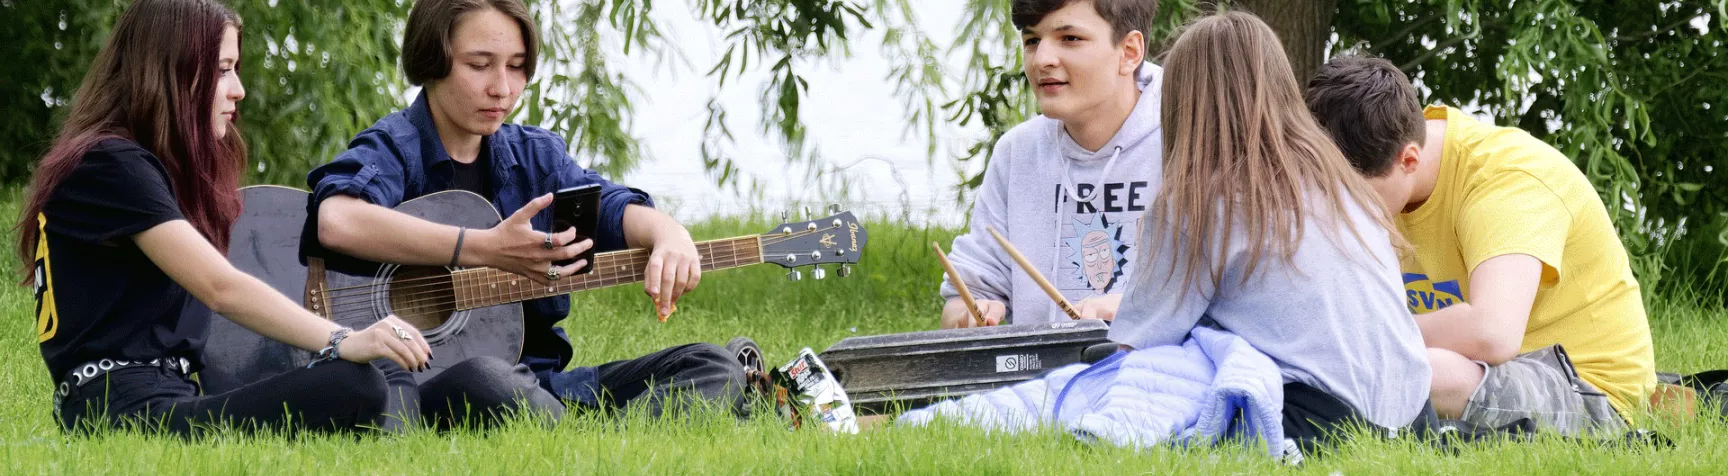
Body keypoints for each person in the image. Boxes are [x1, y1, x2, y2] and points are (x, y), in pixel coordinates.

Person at [305, 0, 752, 418]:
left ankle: (577, 430)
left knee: (712, 366)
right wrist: (482, 248)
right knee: (487, 377)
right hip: (440, 385)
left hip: (543, 384)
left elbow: (609, 209)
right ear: (432, 60)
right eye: (479, 65)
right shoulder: (396, 148)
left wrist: (668, 233)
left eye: (517, 68)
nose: (502, 88)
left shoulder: (534, 157)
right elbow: (337, 219)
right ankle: (588, 429)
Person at [17, 0, 431, 435]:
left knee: (386, 368)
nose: (238, 89)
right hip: (120, 408)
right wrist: (342, 339)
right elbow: (221, 287)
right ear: (170, 71)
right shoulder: (110, 163)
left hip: (166, 394)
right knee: (353, 380)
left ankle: (396, 450)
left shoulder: (129, 166)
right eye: (222, 69)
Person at [1109, 12, 1432, 432]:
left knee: (1191, 360)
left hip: (1317, 418)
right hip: (1414, 411)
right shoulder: (1339, 181)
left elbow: (1140, 346)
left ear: (1181, 104)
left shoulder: (1195, 204)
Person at [1305, 55, 1655, 434]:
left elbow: (1492, 334)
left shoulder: (1508, 178)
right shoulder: (1379, 157)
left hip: (1590, 391)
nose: (1339, 208)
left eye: (1353, 194)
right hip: (1484, 366)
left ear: (1409, 160)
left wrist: (1363, 336)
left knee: (1421, 370)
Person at [939, 0, 1166, 328]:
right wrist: (970, 316)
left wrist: (1139, 310)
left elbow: (1229, 300)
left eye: (1070, 38)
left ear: (1129, 51)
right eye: (1032, 41)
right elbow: (964, 299)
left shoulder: (1190, 141)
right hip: (1043, 376)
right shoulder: (1016, 154)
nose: (1042, 59)